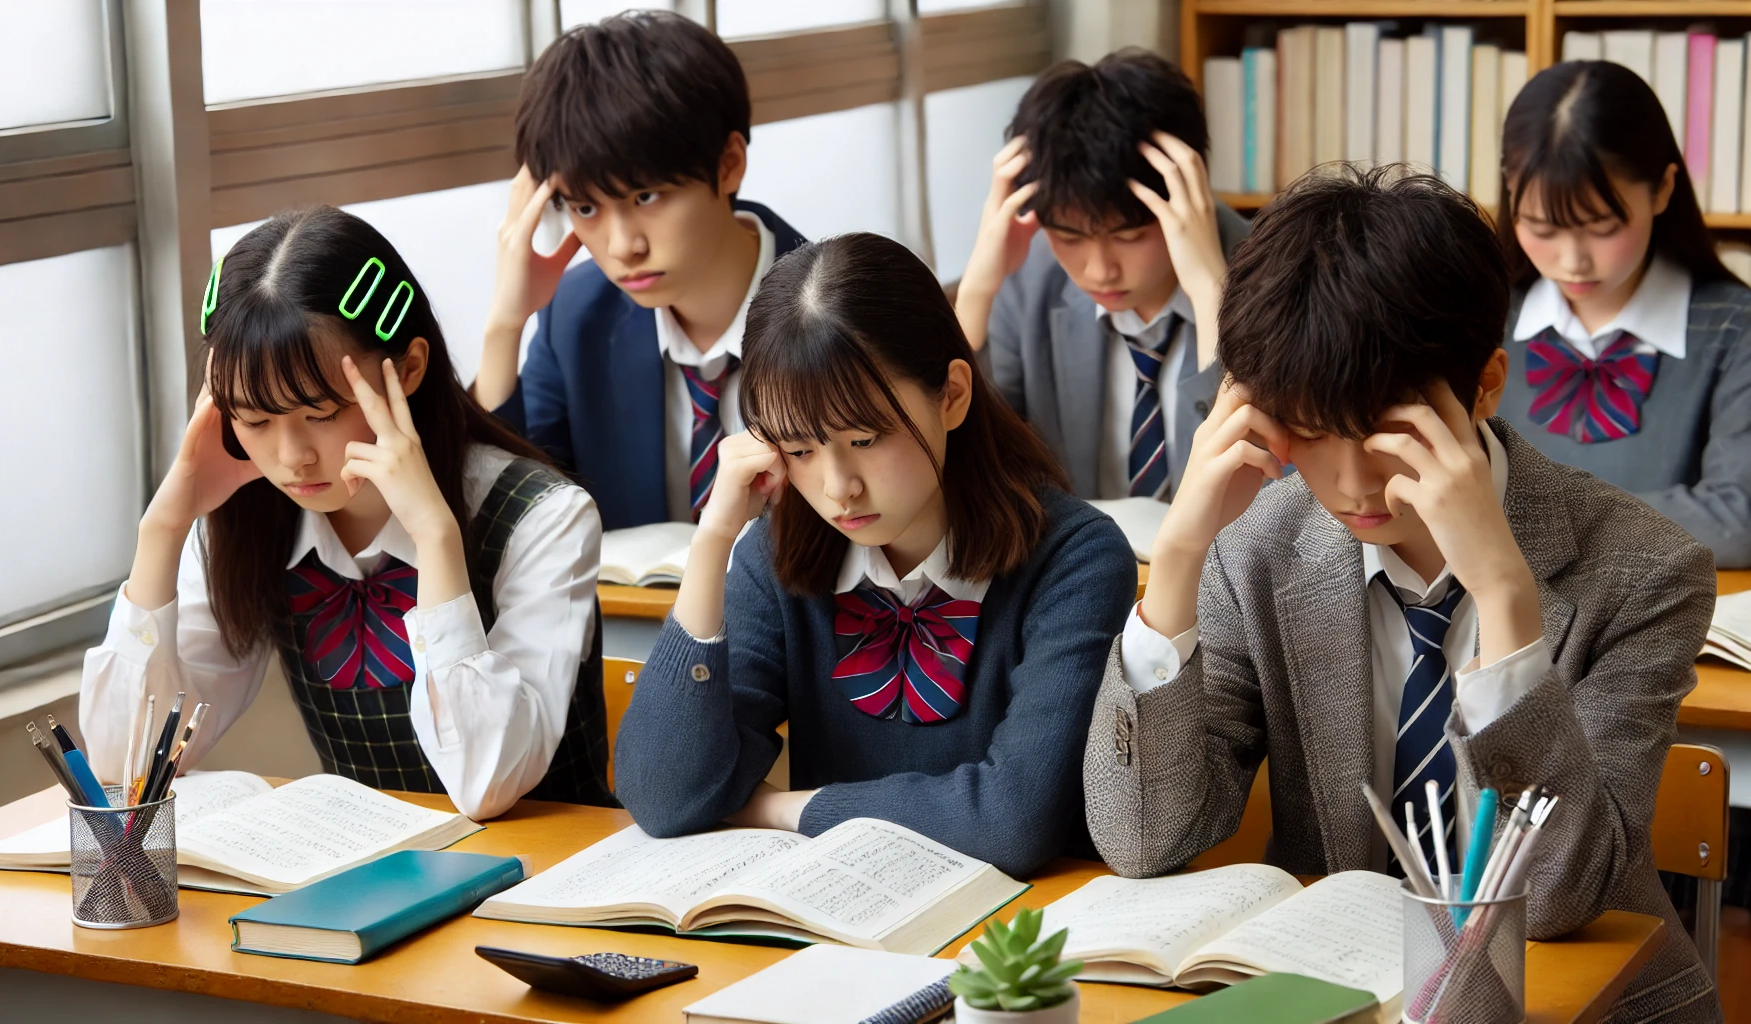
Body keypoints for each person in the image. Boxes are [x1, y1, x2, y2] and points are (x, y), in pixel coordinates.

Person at [1084, 168, 1720, 1023]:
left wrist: (1502, 595)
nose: (1350, 483)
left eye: (1386, 430)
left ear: (1485, 385)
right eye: (1307, 428)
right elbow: (1142, 838)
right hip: (1338, 996)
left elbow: (1564, 898)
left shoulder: (1645, 569)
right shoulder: (1258, 552)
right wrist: (1181, 555)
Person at [613, 233, 1138, 878]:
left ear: (952, 394)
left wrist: (786, 811)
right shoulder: (779, 553)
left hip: (1017, 944)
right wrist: (713, 540)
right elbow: (663, 800)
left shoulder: (1074, 559)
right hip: (832, 929)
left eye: (865, 437)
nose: (838, 487)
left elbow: (1012, 822)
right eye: (799, 450)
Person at [80, 206, 612, 820]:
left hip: (546, 892)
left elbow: (486, 786)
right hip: (366, 889)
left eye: (320, 414)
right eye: (254, 421)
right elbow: (129, 765)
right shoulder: (253, 517)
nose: (292, 458)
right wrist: (162, 532)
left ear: (408, 369)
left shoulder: (544, 518)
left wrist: (436, 538)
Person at [475, 10, 808, 530]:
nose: (622, 245)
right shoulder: (576, 314)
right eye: (585, 208)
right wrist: (505, 324)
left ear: (728, 165)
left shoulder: (841, 308)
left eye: (645, 196)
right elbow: (509, 516)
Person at [959, 49, 1251, 500]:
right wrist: (978, 289)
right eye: (1069, 237)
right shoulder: (1028, 276)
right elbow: (970, 458)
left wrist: (1213, 292)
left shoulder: (1274, 273)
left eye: (1130, 235)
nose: (1100, 270)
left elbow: (1275, 488)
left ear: (1186, 193)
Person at [1497, 60, 1751, 568]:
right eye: (1542, 229)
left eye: (1601, 226)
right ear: (1509, 193)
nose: (1572, 261)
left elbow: (1738, 522)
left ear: (1662, 189)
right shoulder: (1484, 317)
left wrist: (1517, 521)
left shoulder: (1733, 329)